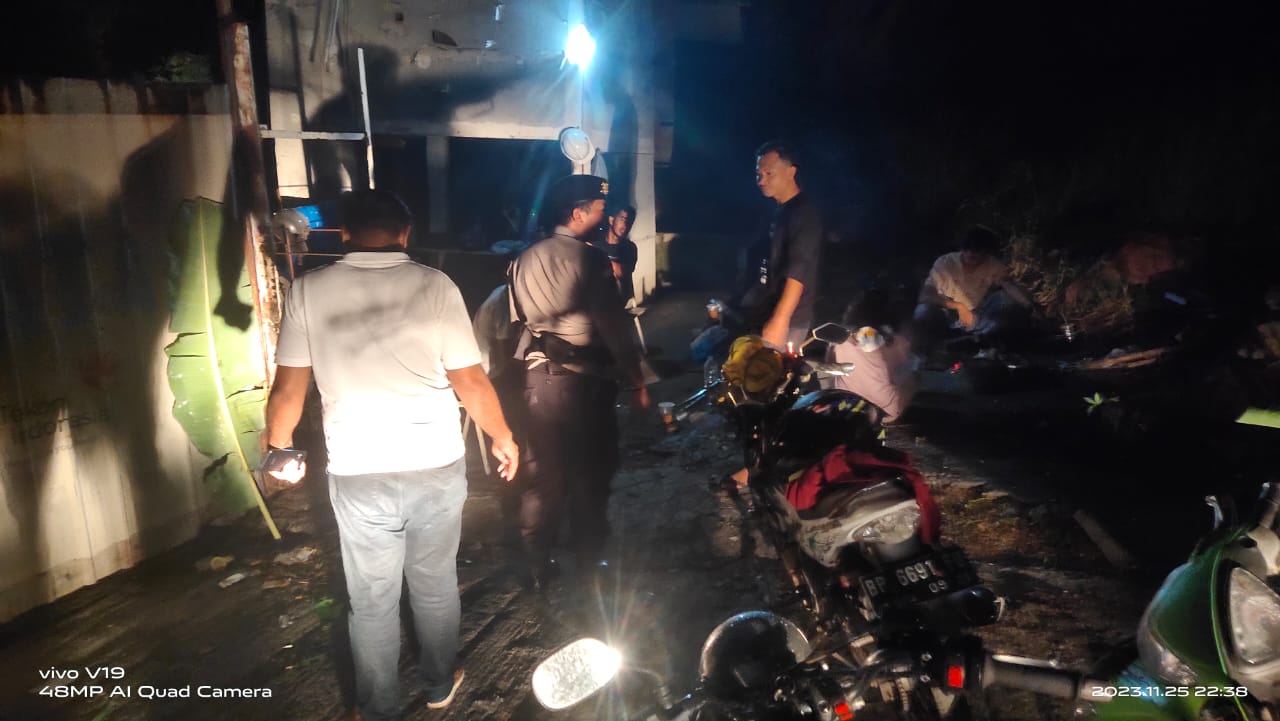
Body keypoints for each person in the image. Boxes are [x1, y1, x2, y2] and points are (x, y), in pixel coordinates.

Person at [262, 189, 518, 721]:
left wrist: (279, 448)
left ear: (344, 233)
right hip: (435, 463)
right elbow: (469, 380)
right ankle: (439, 683)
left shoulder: (308, 290)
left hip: (359, 470)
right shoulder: (435, 285)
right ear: (405, 233)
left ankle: (376, 709)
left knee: (371, 600)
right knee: (435, 584)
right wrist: (502, 436)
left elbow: (288, 388)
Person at [508, 174, 650, 588]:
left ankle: (537, 565)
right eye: (600, 210)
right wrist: (637, 380)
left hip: (538, 381)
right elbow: (613, 327)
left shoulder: (523, 258)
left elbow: (518, 321)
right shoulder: (591, 261)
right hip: (583, 384)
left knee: (543, 478)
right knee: (589, 474)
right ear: (577, 213)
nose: (604, 218)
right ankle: (588, 565)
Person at [738, 140, 823, 350]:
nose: (761, 180)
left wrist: (780, 319)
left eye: (769, 173)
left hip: (789, 318)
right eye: (758, 174)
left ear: (791, 172)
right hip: (767, 307)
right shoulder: (780, 210)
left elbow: (798, 270)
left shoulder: (804, 214)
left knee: (770, 370)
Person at [912, 226, 1035, 352]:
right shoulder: (946, 262)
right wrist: (958, 306)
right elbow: (925, 295)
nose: (971, 253)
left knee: (1006, 299)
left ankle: (980, 339)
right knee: (923, 311)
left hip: (978, 315)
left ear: (986, 252)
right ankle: (925, 348)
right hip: (947, 314)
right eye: (967, 248)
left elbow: (1009, 286)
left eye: (977, 250)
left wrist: (1029, 306)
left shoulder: (993, 265)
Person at [828, 290, 918, 423]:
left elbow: (829, 367)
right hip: (884, 412)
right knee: (913, 378)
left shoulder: (838, 337)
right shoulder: (894, 340)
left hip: (846, 405)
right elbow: (904, 373)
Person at [589, 204, 639, 302]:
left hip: (621, 302)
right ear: (611, 220)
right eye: (622, 219)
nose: (626, 225)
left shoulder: (629, 248)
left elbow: (621, 272)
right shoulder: (595, 242)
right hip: (597, 300)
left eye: (630, 221)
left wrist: (597, 256)